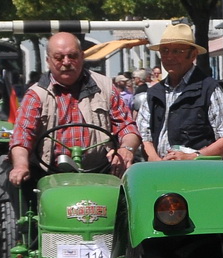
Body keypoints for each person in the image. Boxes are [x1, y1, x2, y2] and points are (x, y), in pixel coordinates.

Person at [7, 31, 140, 185]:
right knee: (16, 186)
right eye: (59, 57)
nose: (66, 62)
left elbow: (127, 127)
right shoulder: (36, 95)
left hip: (101, 173)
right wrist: (21, 166)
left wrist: (127, 149)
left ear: (82, 57)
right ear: (48, 61)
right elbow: (21, 137)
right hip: (49, 176)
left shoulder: (105, 87)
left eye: (73, 56)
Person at [136, 23, 223, 162]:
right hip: (160, 175)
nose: (169, 57)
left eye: (177, 51)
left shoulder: (210, 89)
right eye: (164, 50)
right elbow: (143, 136)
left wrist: (193, 156)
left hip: (198, 175)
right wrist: (155, 160)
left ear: (193, 55)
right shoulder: (154, 93)